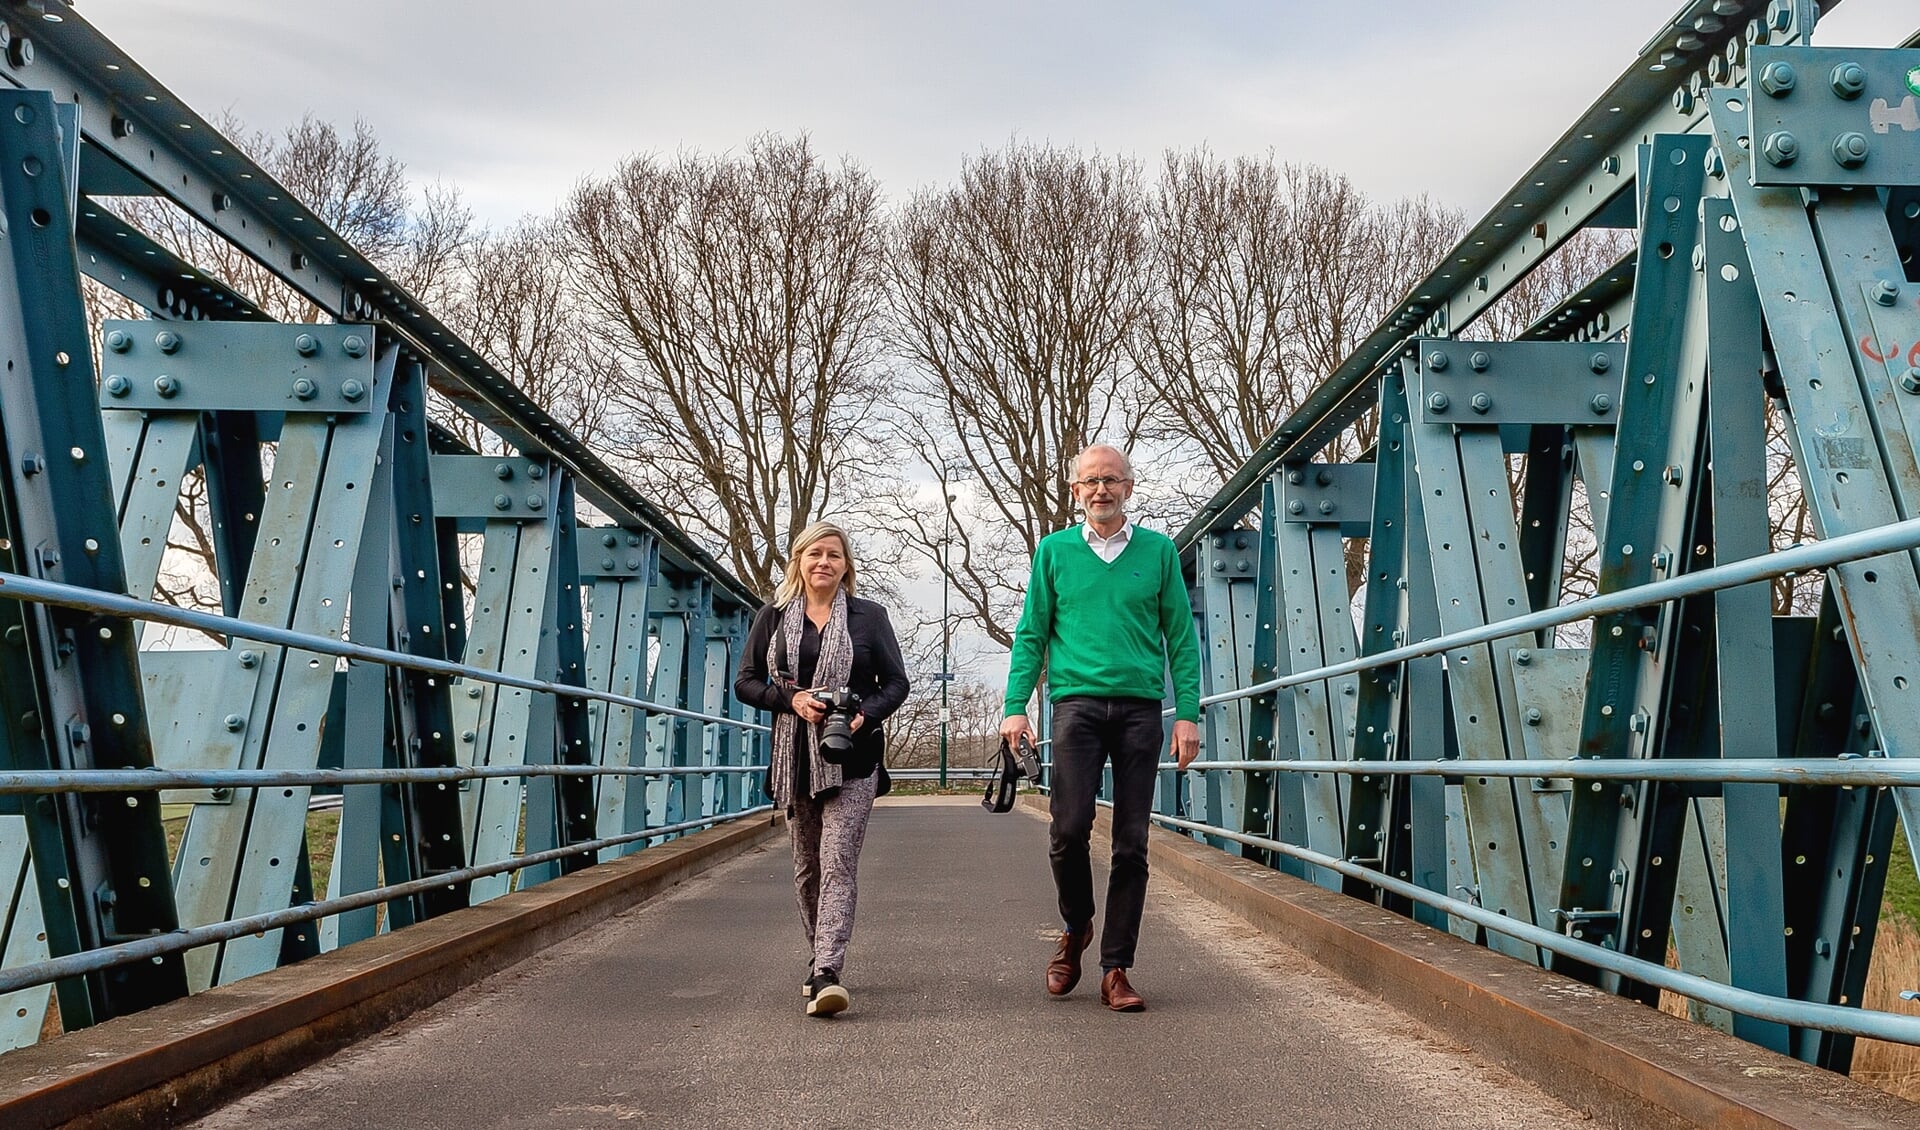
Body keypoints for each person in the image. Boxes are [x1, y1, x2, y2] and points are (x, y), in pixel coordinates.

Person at [1001, 444, 1202, 1013]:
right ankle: (1076, 926)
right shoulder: (1054, 552)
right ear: (1075, 492)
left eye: (1112, 480)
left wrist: (1187, 711)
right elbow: (1032, 633)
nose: (1101, 491)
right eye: (1090, 482)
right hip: (1076, 706)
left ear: (1129, 489)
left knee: (1131, 843)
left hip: (1141, 708)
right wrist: (1017, 705)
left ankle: (1116, 967)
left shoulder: (1158, 552)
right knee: (1067, 830)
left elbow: (1182, 640)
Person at [735, 521, 909, 1018]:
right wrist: (792, 699)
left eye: (834, 555)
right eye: (814, 555)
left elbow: (896, 684)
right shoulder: (772, 617)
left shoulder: (869, 617)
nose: (823, 563)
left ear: (846, 565)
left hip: (852, 760)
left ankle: (828, 969)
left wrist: (862, 714)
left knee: (838, 864)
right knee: (806, 868)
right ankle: (819, 955)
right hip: (794, 759)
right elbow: (745, 683)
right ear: (799, 561)